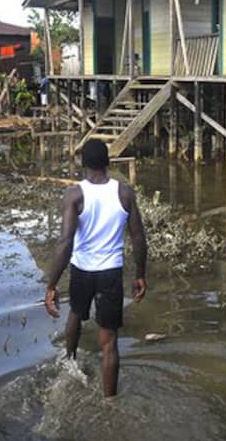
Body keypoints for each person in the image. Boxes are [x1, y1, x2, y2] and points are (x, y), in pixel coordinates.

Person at [44, 139, 148, 397]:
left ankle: (70, 361)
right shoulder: (124, 193)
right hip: (111, 272)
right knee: (109, 341)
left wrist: (51, 284)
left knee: (76, 314)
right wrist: (140, 275)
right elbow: (138, 238)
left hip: (82, 270)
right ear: (108, 163)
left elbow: (65, 242)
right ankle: (110, 400)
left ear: (82, 163)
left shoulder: (74, 194)